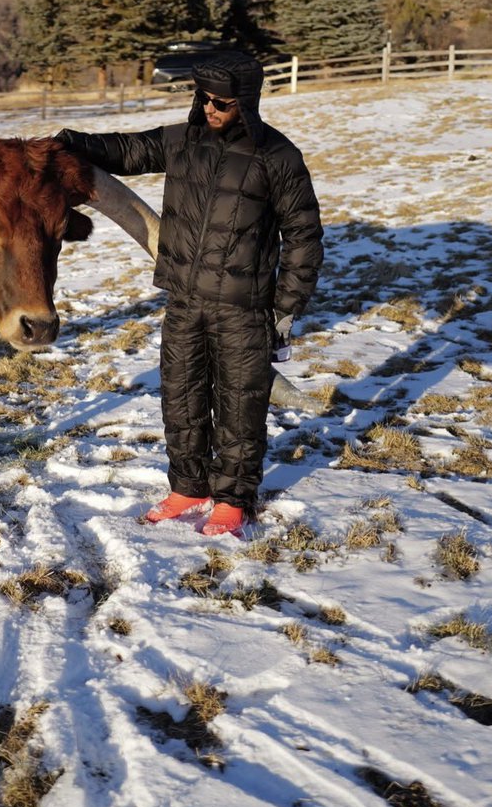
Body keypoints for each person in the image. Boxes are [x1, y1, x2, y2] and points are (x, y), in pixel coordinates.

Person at [57, 49, 323, 536]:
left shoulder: (278, 157)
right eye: (204, 99)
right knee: (181, 398)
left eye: (221, 103)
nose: (210, 110)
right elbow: (125, 149)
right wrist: (69, 142)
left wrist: (287, 307)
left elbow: (304, 235)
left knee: (241, 406)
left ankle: (232, 499)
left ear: (246, 103)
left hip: (245, 308)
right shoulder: (180, 141)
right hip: (183, 300)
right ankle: (188, 486)